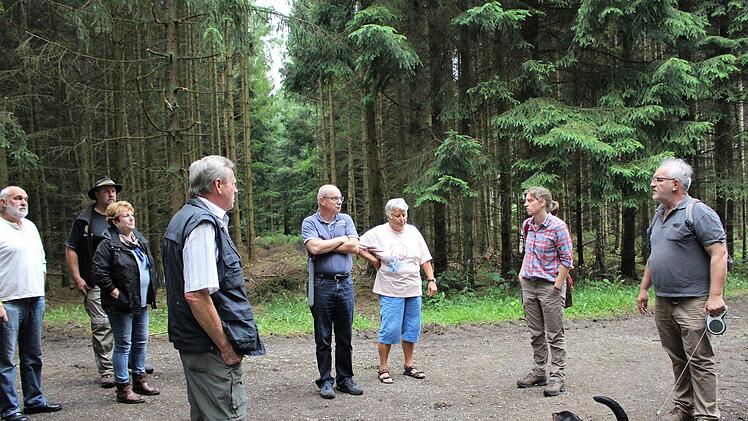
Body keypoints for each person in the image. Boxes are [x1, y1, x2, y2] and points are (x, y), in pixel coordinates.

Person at [163, 155, 265, 421]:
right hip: (209, 348)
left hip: (198, 345)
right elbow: (196, 295)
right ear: (218, 185)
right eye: (234, 182)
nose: (237, 189)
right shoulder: (202, 224)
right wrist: (225, 346)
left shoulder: (185, 218)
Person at [637, 158, 727, 421]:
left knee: (699, 359)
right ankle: (684, 409)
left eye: (658, 179)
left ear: (676, 184)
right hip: (663, 301)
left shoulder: (698, 213)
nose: (653, 183)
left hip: (693, 301)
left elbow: (719, 253)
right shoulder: (658, 214)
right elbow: (655, 256)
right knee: (678, 357)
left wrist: (715, 296)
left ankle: (707, 415)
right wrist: (644, 289)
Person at [357, 198, 438, 385]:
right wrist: (373, 260)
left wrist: (431, 280)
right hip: (390, 289)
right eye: (397, 216)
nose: (402, 219)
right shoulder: (378, 233)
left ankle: (409, 365)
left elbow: (424, 258)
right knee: (390, 329)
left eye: (404, 215)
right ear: (389, 216)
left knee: (411, 328)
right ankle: (383, 368)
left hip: (413, 288)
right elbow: (358, 245)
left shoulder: (413, 232)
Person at [0, 186, 62, 421]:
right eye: (18, 198)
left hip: (35, 299)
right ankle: (9, 409)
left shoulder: (31, 227)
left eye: (26, 198)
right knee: (6, 359)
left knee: (33, 354)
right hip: (8, 302)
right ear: (3, 203)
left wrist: (41, 287)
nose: (23, 202)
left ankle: (34, 400)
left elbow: (42, 259)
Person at [92, 201, 159, 404]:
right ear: (114, 222)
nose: (131, 218)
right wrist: (114, 292)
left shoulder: (139, 240)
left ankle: (140, 380)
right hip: (121, 304)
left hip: (140, 301)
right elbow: (98, 271)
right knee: (123, 344)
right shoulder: (108, 243)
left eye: (131, 214)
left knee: (140, 340)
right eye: (125, 216)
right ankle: (123, 387)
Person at [302, 185, 363, 399]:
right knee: (324, 336)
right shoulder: (310, 222)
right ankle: (325, 380)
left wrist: (327, 243)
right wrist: (341, 240)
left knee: (345, 335)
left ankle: (345, 379)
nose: (339, 202)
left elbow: (355, 247)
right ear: (322, 201)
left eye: (341, 197)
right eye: (335, 198)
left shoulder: (345, 219)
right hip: (321, 286)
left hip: (345, 285)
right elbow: (315, 249)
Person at [516, 187, 573, 397]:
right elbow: (526, 254)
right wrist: (522, 276)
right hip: (529, 285)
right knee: (536, 333)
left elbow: (567, 260)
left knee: (555, 334)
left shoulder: (558, 227)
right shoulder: (527, 225)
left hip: (550, 286)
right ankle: (539, 372)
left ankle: (558, 376)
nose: (526, 204)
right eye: (526, 200)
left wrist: (557, 286)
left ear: (542, 202)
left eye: (530, 200)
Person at [65, 176, 120, 388]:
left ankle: (126, 364)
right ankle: (107, 369)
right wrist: (77, 277)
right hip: (94, 281)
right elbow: (71, 248)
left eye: (113, 190)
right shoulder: (83, 220)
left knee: (123, 323)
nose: (111, 194)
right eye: (105, 190)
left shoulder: (120, 215)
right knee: (102, 324)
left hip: (120, 281)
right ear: (96, 194)